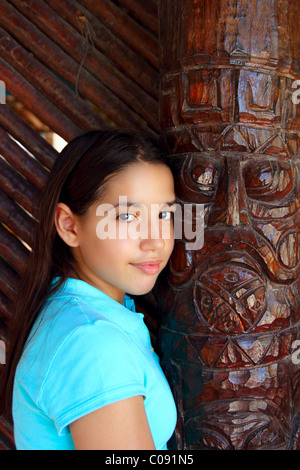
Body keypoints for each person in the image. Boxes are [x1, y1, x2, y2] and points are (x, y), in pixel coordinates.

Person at [0, 130, 177, 450]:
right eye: (127, 216)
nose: (156, 240)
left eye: (164, 214)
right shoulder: (93, 343)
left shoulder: (79, 311)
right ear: (70, 226)